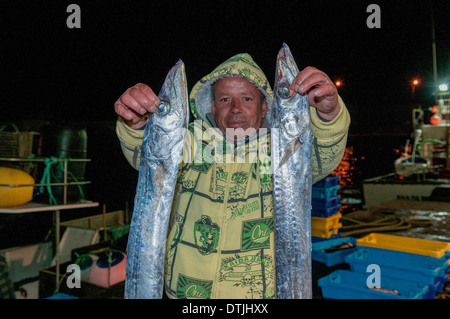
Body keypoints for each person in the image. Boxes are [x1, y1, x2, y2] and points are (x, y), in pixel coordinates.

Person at [114, 53, 350, 299]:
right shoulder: (187, 142)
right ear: (213, 106)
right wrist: (137, 124)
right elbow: (146, 159)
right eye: (225, 99)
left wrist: (329, 115)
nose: (236, 108)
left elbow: (323, 154)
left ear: (265, 106)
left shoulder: (284, 150)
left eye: (247, 98)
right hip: (185, 296)